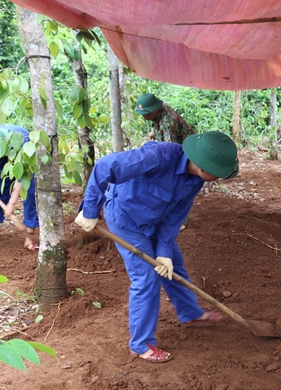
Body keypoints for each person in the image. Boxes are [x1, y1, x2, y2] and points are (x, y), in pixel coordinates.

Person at [74, 132, 239, 363]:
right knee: (147, 277)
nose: (219, 178)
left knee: (173, 265)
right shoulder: (158, 156)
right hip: (126, 220)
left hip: (155, 221)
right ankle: (141, 344)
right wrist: (90, 210)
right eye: (218, 173)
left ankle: (190, 314)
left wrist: (164, 250)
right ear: (203, 166)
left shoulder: (196, 181)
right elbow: (104, 166)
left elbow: (176, 215)